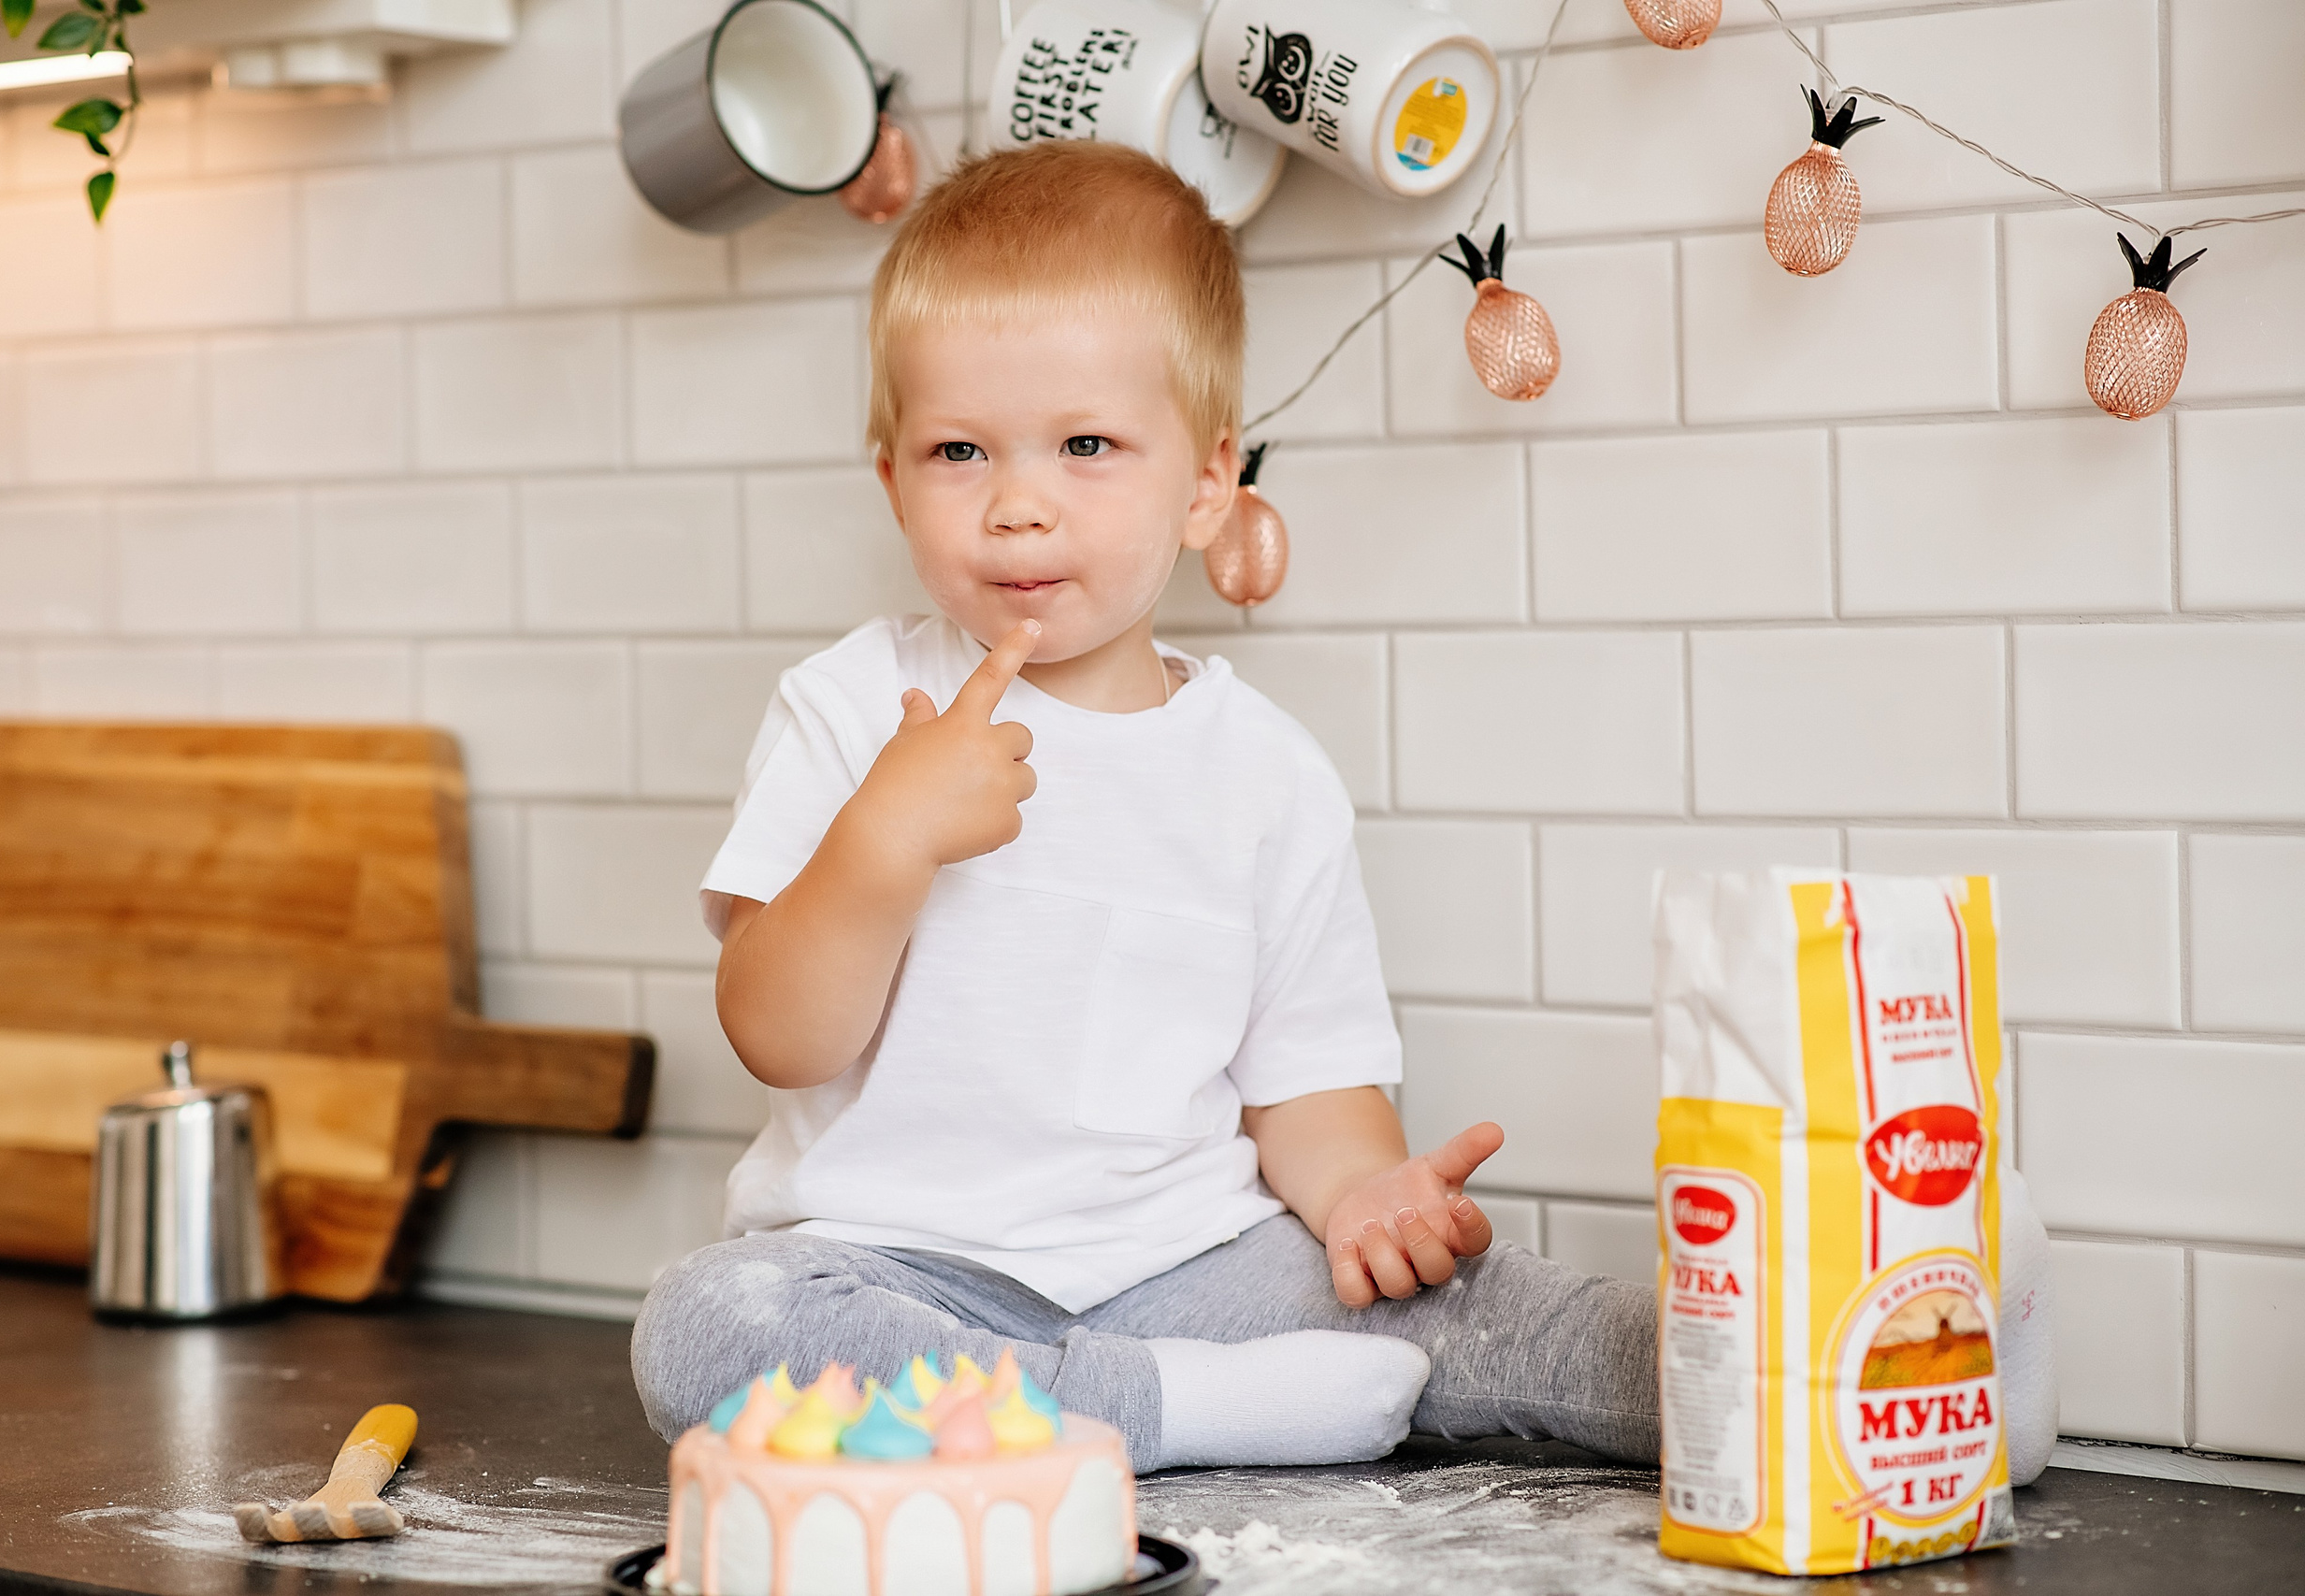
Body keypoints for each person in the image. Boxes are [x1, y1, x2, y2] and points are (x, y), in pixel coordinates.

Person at [628, 140, 2053, 1482]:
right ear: (891, 477)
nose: (1018, 506)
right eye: (960, 453)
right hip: (900, 1271)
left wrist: (1366, 1191)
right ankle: (1179, 1411)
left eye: (1086, 445)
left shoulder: (1263, 770)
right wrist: (883, 838)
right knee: (712, 1326)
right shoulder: (851, 708)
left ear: (1207, 483)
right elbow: (778, 1033)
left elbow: (1304, 1086)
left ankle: (1877, 1366)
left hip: (1191, 1265)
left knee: (1477, 1306)